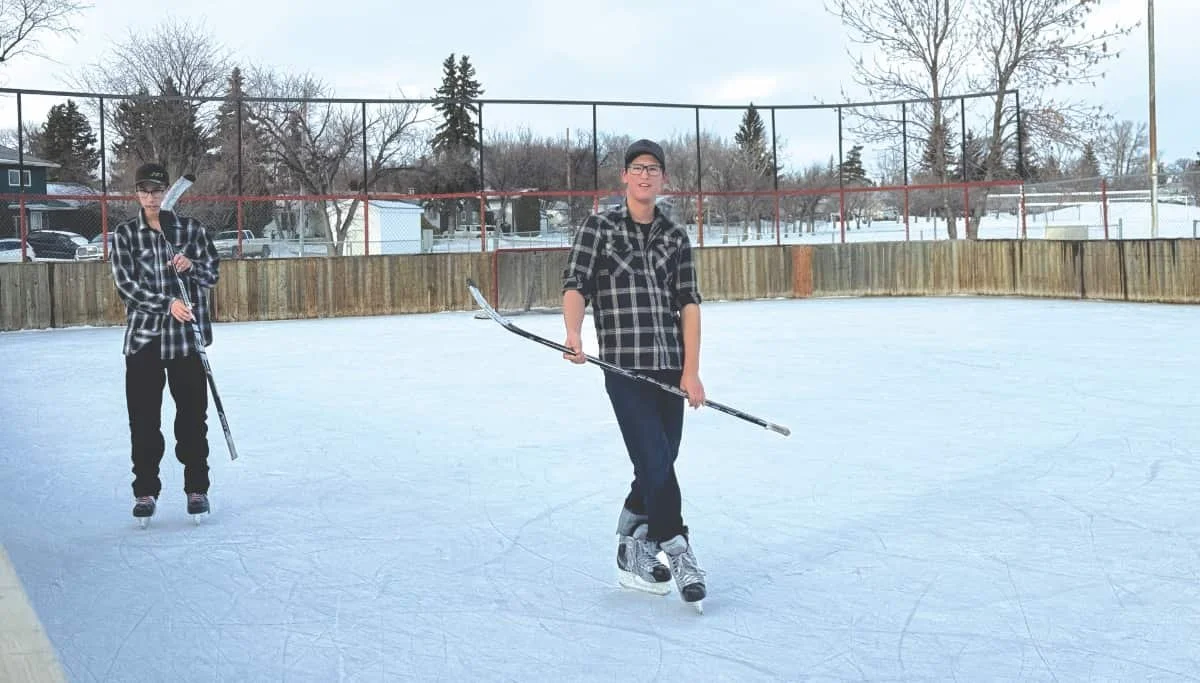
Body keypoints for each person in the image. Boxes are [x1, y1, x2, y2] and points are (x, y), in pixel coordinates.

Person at [560, 139, 707, 606]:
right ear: (624, 176)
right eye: (637, 168)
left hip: (669, 365)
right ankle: (677, 548)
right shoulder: (599, 228)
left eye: (654, 169)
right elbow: (576, 285)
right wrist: (573, 332)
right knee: (656, 460)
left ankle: (631, 543)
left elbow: (689, 304)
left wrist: (692, 371)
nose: (646, 176)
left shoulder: (675, 237)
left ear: (663, 179)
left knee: (661, 457)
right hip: (623, 363)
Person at [109, 162, 220, 523]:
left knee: (192, 420)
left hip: (186, 343)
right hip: (144, 342)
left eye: (157, 190)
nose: (152, 197)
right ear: (137, 193)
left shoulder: (190, 230)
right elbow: (127, 287)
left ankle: (196, 489)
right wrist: (167, 304)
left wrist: (191, 266)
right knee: (143, 421)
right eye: (145, 190)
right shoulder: (125, 235)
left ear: (166, 191)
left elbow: (212, 272)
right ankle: (145, 491)